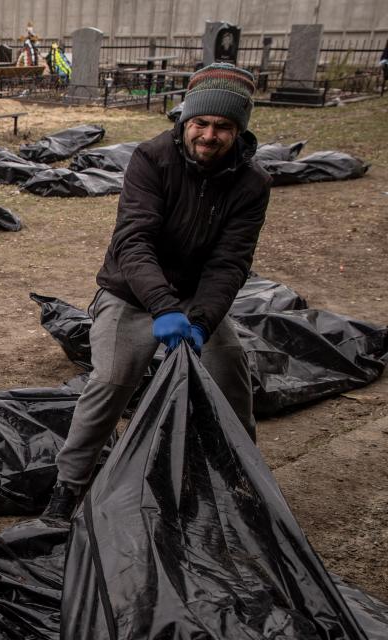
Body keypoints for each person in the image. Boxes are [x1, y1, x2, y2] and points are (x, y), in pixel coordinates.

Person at [42, 63, 271, 524]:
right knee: (109, 382)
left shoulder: (253, 183)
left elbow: (229, 261)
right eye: (201, 123)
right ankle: (68, 487)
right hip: (131, 293)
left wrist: (203, 320)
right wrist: (163, 308)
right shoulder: (151, 159)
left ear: (239, 130)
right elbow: (134, 241)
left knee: (230, 377)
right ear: (185, 120)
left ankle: (242, 480)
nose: (209, 135)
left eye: (223, 127)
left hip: (196, 298)